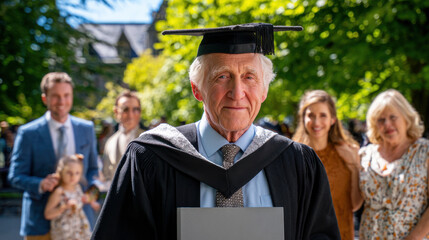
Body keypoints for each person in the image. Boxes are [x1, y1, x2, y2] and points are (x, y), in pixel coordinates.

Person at [92, 23, 340, 240]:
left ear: (264, 90)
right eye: (222, 76)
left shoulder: (298, 164)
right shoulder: (150, 159)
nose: (237, 92)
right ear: (197, 89)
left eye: (249, 77)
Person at [8, 72, 99, 240]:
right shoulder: (28, 133)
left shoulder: (86, 128)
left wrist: (92, 194)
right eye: (56, 96)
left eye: (66, 95)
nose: (62, 102)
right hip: (40, 224)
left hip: (78, 225)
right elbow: (15, 176)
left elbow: (93, 169)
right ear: (45, 99)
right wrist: (41, 184)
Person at [358, 89, 429, 239]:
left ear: (406, 118)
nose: (387, 124)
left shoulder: (425, 151)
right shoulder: (365, 155)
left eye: (393, 117)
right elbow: (353, 202)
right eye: (381, 120)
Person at [292, 90, 362, 240]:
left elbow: (355, 205)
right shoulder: (293, 155)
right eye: (311, 115)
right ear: (303, 118)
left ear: (333, 119)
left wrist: (354, 166)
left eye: (323, 115)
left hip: (342, 234)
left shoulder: (348, 152)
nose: (316, 122)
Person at [45, 154, 100, 240]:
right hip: (64, 234)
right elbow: (48, 214)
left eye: (77, 173)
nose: (73, 176)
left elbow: (83, 198)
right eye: (69, 173)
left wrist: (92, 202)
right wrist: (63, 207)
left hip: (79, 231)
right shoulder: (59, 192)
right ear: (61, 172)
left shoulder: (77, 187)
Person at [101, 91, 144, 185]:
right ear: (116, 112)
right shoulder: (110, 142)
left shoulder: (149, 139)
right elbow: (106, 176)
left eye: (136, 109)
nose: (131, 115)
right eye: (125, 109)